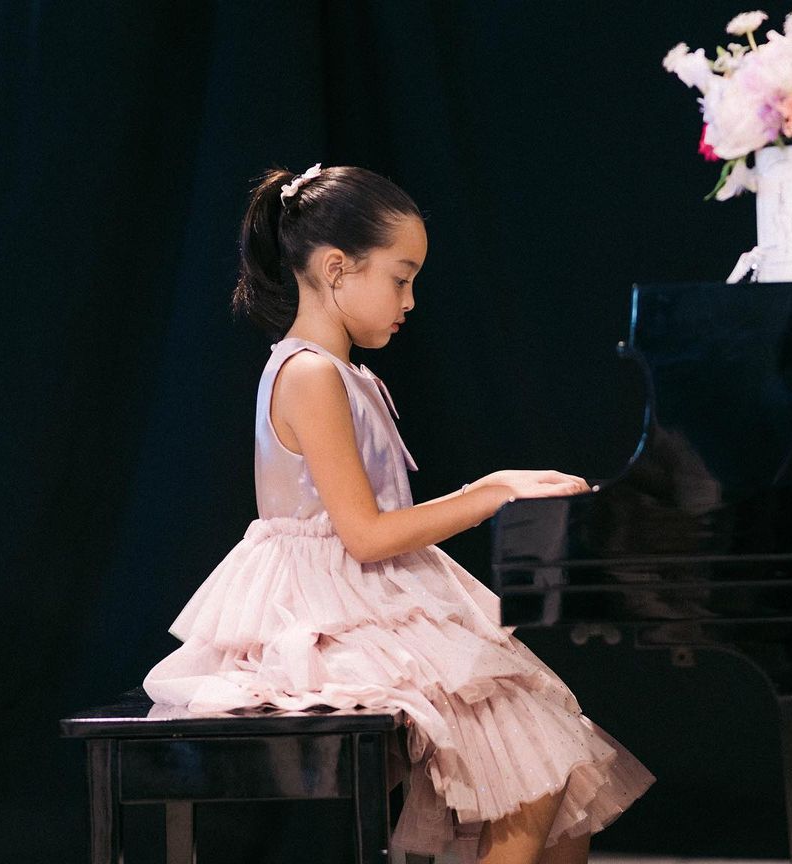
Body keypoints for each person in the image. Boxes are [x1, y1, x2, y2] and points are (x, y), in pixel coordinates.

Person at [143, 164, 654, 864]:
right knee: (536, 769)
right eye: (400, 277)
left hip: (372, 591)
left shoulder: (349, 373)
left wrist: (498, 483)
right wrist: (490, 494)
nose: (409, 300)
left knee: (561, 781)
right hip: (325, 609)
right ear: (334, 268)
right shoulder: (309, 372)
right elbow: (364, 533)